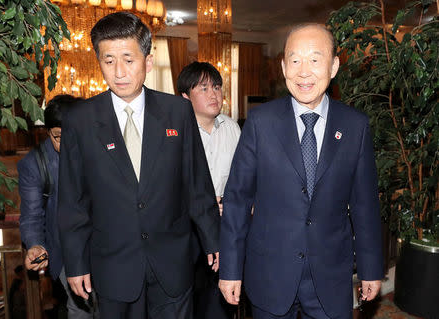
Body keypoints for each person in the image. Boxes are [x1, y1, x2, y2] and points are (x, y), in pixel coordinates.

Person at [57, 12, 220, 319]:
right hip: (112, 267)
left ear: (148, 59)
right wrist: (76, 262)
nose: (119, 72)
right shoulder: (80, 120)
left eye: (129, 60)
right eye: (109, 61)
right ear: (99, 62)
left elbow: (196, 183)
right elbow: (73, 201)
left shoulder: (178, 112)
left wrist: (214, 239)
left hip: (172, 263)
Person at [218, 23, 383, 319]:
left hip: (330, 277)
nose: (303, 71)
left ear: (333, 66)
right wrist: (230, 269)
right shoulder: (260, 122)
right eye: (295, 60)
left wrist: (371, 268)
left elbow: (365, 205)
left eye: (315, 60)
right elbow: (237, 199)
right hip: (269, 273)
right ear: (284, 67)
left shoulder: (355, 126)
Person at [18, 94, 98, 318]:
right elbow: (32, 216)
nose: (68, 144)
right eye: (58, 137)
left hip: (105, 244)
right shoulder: (35, 164)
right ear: (48, 132)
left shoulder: (100, 149)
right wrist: (35, 245)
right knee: (82, 308)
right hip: (66, 248)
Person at [177, 62, 240, 319]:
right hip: (186, 231)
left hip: (225, 227)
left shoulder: (232, 128)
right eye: (203, 88)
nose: (214, 94)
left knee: (219, 304)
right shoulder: (174, 133)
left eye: (216, 86)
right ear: (185, 97)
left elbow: (244, 179)